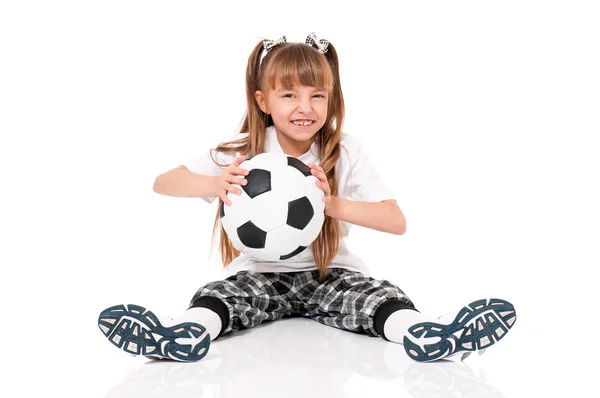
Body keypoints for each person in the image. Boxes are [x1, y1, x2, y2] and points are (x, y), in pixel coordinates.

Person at [97, 33, 517, 363]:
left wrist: (332, 204)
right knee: (223, 299)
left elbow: (396, 221)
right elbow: (163, 182)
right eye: (289, 95)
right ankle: (181, 333)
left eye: (317, 95)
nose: (306, 107)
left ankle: (427, 333)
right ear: (263, 101)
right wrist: (215, 184)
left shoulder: (344, 150)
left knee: (373, 299)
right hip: (260, 274)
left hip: (329, 272)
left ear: (331, 98)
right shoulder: (243, 152)